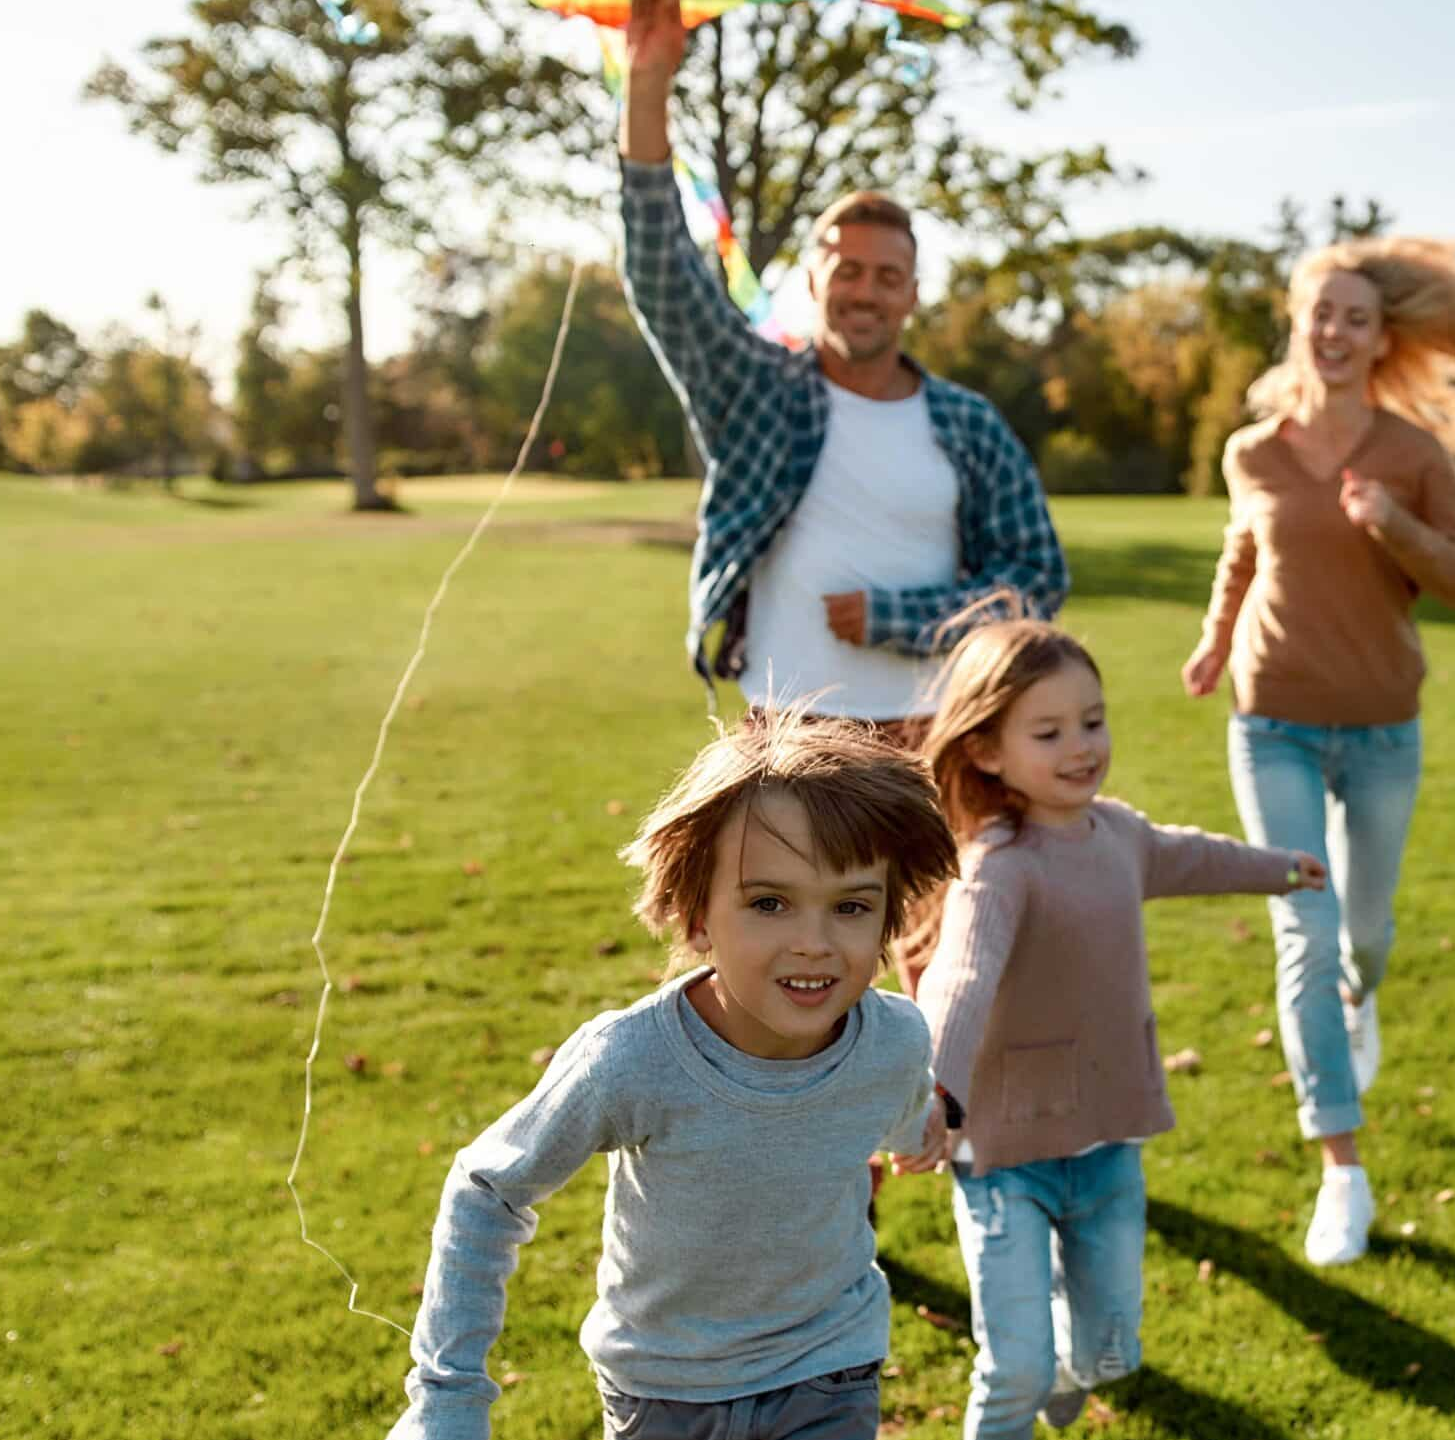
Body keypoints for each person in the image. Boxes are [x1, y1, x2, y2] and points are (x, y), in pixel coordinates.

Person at [388, 710, 961, 1440]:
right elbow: (488, 1189)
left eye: (850, 906)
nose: (814, 943)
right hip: (665, 1392)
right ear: (696, 920)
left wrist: (927, 1129)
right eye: (769, 903)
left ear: (887, 920)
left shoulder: (894, 1041)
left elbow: (905, 1107)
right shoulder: (630, 1061)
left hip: (830, 1371)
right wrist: (447, 1399)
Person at [1181, 235, 1455, 1266]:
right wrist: (1215, 639)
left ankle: (1363, 992)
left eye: (1357, 318)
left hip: (1383, 729)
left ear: (1383, 340)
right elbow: (1243, 549)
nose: (1335, 332)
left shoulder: (1411, 455)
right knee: (1304, 931)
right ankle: (1342, 1168)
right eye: (1322, 314)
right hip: (1272, 724)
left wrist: (1395, 526)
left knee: (1364, 936)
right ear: (1297, 325)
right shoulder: (1252, 452)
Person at [615, 0, 1067, 756]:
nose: (865, 292)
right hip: (783, 737)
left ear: (912, 296)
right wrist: (648, 83)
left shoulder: (968, 423)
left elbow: (1038, 579)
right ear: (813, 282)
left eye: (888, 277)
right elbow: (661, 271)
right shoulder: (757, 390)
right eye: (847, 271)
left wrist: (899, 618)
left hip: (939, 736)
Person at [911, 618, 1326, 1438]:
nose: (1080, 747)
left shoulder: (1120, 835)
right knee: (1015, 1370)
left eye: (1092, 722)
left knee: (1108, 1354)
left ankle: (1068, 1367)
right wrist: (935, 1091)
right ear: (987, 750)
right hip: (1005, 1156)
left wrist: (1278, 869)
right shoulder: (998, 869)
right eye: (1049, 732)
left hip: (1107, 1143)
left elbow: (1192, 856)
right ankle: (1028, 1385)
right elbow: (960, 981)